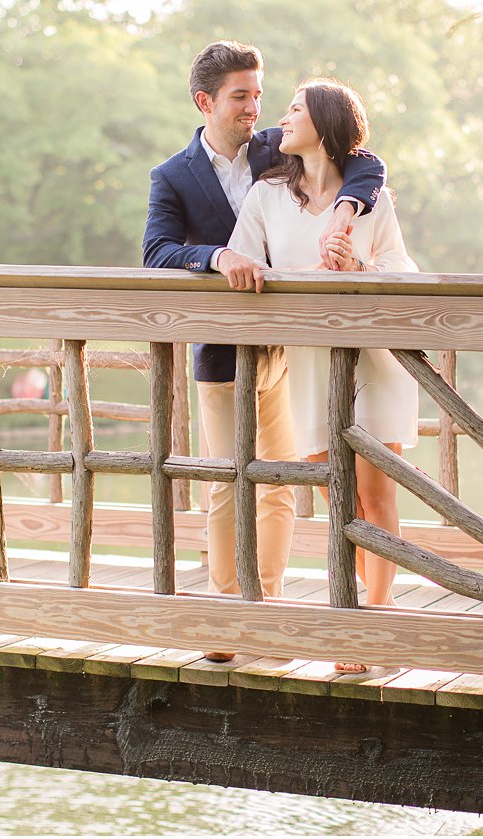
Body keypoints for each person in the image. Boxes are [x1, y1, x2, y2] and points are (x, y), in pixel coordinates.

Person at [143, 42, 386, 663]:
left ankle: (268, 608)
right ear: (206, 102)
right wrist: (216, 256)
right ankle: (229, 618)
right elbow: (157, 252)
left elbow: (364, 162)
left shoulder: (277, 147)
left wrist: (348, 210)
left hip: (287, 347)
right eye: (241, 97)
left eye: (258, 94)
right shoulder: (172, 176)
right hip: (222, 354)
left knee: (278, 483)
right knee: (227, 481)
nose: (256, 108)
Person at [225, 79, 418, 672]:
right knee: (340, 493)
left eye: (295, 110)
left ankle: (373, 619)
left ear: (325, 124)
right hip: (308, 363)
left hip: (374, 360)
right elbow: (244, 256)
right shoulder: (267, 195)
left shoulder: (370, 198)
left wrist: (357, 266)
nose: (281, 118)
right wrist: (248, 267)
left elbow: (402, 271)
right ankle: (355, 610)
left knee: (377, 489)